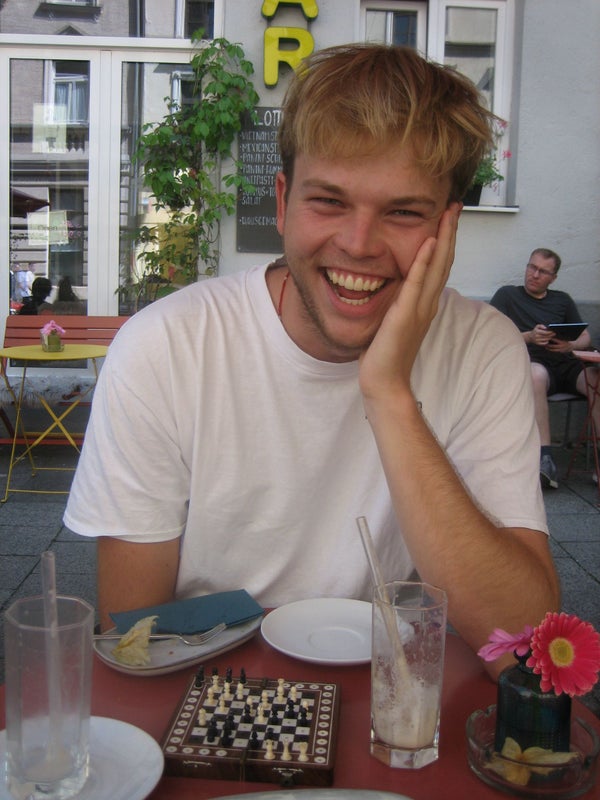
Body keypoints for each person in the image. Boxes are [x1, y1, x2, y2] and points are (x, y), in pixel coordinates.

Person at [65, 44, 559, 677]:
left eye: (403, 212)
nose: (358, 244)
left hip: (396, 706)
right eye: (328, 201)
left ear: (448, 228)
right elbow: (133, 642)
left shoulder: (483, 348)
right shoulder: (165, 346)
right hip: (213, 700)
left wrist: (388, 393)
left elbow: (521, 645)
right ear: (282, 202)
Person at [490, 248, 597, 489]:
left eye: (542, 271)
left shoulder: (562, 300)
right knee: (535, 374)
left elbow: (585, 337)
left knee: (596, 379)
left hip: (567, 364)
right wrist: (528, 336)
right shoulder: (508, 295)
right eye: (532, 267)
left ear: (553, 278)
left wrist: (570, 345)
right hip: (534, 364)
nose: (534, 275)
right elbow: (491, 335)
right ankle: (544, 460)